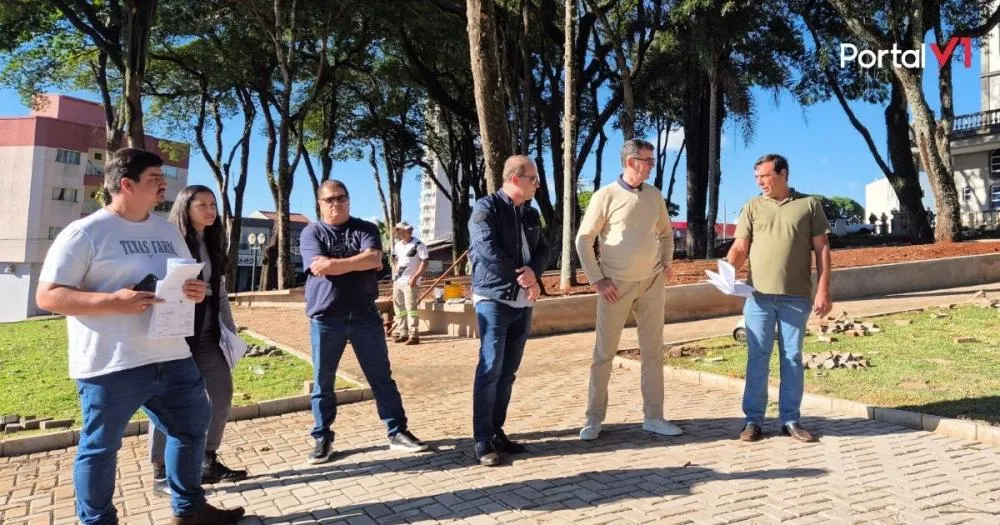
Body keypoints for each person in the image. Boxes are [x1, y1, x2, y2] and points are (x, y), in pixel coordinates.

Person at [36, 149, 245, 524]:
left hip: (172, 355)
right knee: (101, 448)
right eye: (154, 178)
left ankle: (189, 511)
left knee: (191, 430)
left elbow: (185, 279)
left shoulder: (167, 231)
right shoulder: (85, 232)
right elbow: (48, 296)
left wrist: (195, 290)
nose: (164, 184)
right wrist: (113, 301)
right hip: (112, 363)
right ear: (126, 184)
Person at [299, 180, 429, 464]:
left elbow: (373, 258)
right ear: (320, 204)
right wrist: (358, 261)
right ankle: (322, 437)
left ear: (348, 200)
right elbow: (319, 266)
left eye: (341, 198)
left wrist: (334, 264)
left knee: (381, 377)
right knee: (323, 381)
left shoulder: (366, 229)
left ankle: (397, 431)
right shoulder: (311, 232)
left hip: (364, 316)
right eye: (330, 199)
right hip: (326, 318)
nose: (337, 203)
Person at [575, 139, 681, 441]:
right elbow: (584, 239)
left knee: (653, 352)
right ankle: (593, 419)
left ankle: (654, 417)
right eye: (648, 161)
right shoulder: (605, 196)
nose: (651, 166)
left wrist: (666, 262)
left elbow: (666, 233)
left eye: (652, 161)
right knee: (603, 354)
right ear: (631, 162)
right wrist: (597, 280)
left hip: (652, 283)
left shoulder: (654, 196)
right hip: (614, 286)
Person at [147, 185, 247, 499]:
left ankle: (207, 460)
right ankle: (161, 470)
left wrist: (229, 330)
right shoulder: (171, 241)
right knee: (169, 402)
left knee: (221, 391)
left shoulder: (214, 241)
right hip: (177, 335)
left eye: (213, 204)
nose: (210, 210)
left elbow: (220, 291)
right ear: (185, 208)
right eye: (201, 204)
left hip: (208, 335)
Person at [726, 153, 832, 443]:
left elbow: (822, 249)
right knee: (757, 358)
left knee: (792, 358)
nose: (760, 182)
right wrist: (727, 272)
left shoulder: (809, 205)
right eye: (757, 177)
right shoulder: (752, 206)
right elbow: (740, 247)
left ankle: (790, 420)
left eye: (765, 176)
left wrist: (823, 289)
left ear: (783, 173)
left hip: (796, 298)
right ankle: (752, 420)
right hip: (758, 298)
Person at [468, 155, 549, 467]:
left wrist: (533, 273)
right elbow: (487, 251)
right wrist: (523, 277)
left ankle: (496, 431)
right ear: (515, 179)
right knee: (490, 368)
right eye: (533, 179)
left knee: (507, 373)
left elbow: (543, 250)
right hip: (493, 299)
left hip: (522, 302)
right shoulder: (486, 208)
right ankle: (481, 439)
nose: (537, 185)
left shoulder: (531, 212)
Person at [391, 221, 429, 345]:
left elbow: (424, 262)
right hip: (398, 281)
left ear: (409, 231)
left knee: (411, 308)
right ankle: (403, 333)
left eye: (402, 231)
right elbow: (395, 259)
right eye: (398, 231)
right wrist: (395, 273)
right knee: (399, 308)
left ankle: (414, 335)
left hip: (410, 281)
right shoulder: (397, 245)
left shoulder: (418, 245)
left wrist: (415, 277)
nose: (400, 233)